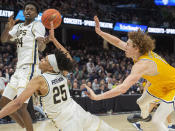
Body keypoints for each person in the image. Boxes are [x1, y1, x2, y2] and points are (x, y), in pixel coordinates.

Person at [0, 22, 118, 131]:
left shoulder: (39, 80)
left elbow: (17, 103)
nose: (41, 59)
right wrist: (54, 40)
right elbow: (68, 57)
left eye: (45, 60)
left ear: (51, 67)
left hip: (68, 124)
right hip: (81, 115)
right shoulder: (62, 74)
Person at [84, 16, 175, 131]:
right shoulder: (138, 52)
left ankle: (151, 119)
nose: (125, 46)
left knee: (157, 120)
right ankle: (144, 116)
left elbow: (122, 88)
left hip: (174, 87)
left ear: (136, 48)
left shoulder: (142, 64)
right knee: (141, 101)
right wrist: (100, 32)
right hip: (159, 86)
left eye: (128, 45)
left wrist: (98, 97)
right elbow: (117, 42)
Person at [0, 1, 48, 131]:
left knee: (21, 106)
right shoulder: (19, 26)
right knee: (3, 104)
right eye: (26, 9)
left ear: (36, 14)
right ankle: (24, 127)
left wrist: (43, 43)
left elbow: (41, 45)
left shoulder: (37, 25)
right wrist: (7, 28)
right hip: (19, 69)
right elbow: (4, 39)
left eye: (32, 9)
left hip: (31, 68)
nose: (28, 11)